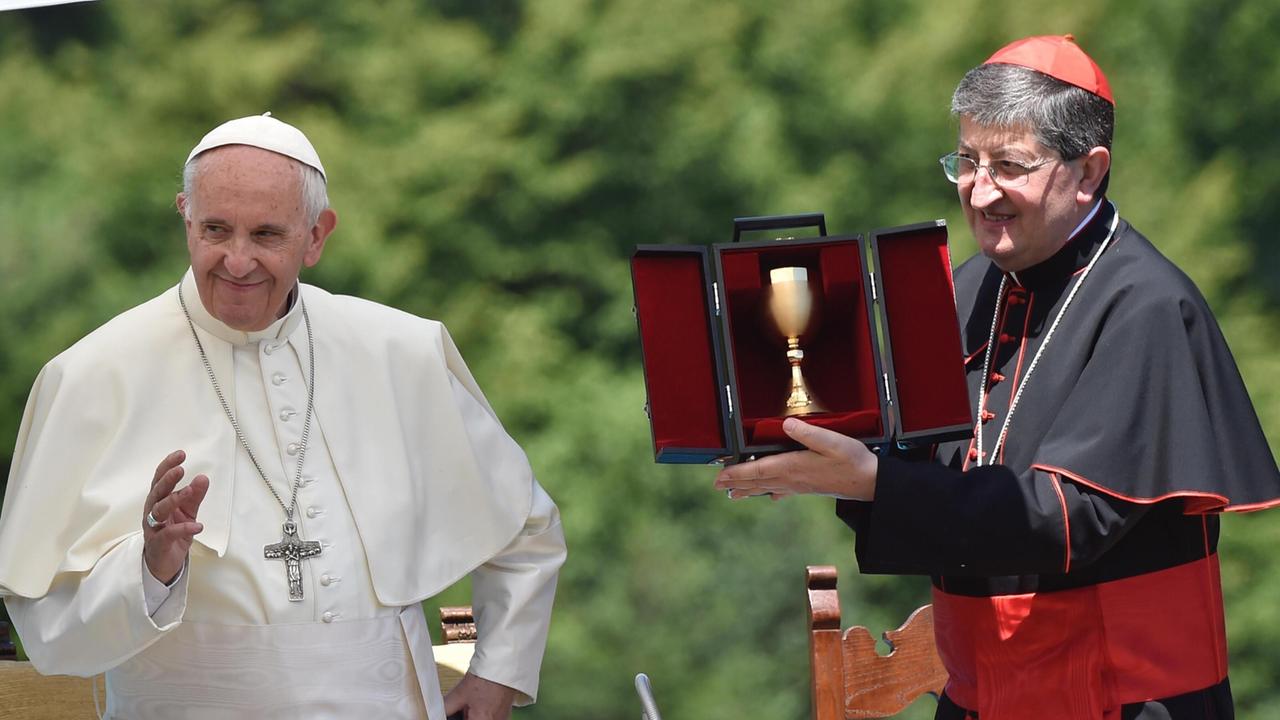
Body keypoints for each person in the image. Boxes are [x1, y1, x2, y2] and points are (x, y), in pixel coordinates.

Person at [717, 35, 1280, 719]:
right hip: (980, 696)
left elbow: (1065, 520)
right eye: (967, 161)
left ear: (1088, 172)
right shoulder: (967, 288)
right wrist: (812, 451)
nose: (980, 192)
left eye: (1010, 165)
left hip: (1122, 699)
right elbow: (918, 472)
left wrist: (869, 480)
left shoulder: (1148, 306)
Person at [0, 114, 567, 720]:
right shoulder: (93, 374)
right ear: (185, 217)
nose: (237, 261)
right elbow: (47, 628)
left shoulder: (400, 352)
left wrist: (498, 673)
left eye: (267, 235)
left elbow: (525, 531)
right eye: (215, 230)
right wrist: (150, 569)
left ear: (317, 236)